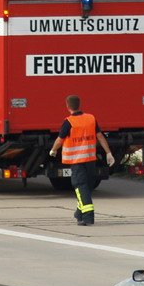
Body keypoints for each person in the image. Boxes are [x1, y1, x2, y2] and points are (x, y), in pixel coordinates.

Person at [48, 94, 115, 226]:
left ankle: (88, 216)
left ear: (67, 106)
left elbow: (60, 139)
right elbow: (100, 136)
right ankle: (79, 213)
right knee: (87, 187)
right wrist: (108, 153)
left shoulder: (69, 122)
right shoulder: (91, 118)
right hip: (90, 159)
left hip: (77, 161)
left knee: (80, 187)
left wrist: (53, 150)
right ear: (80, 105)